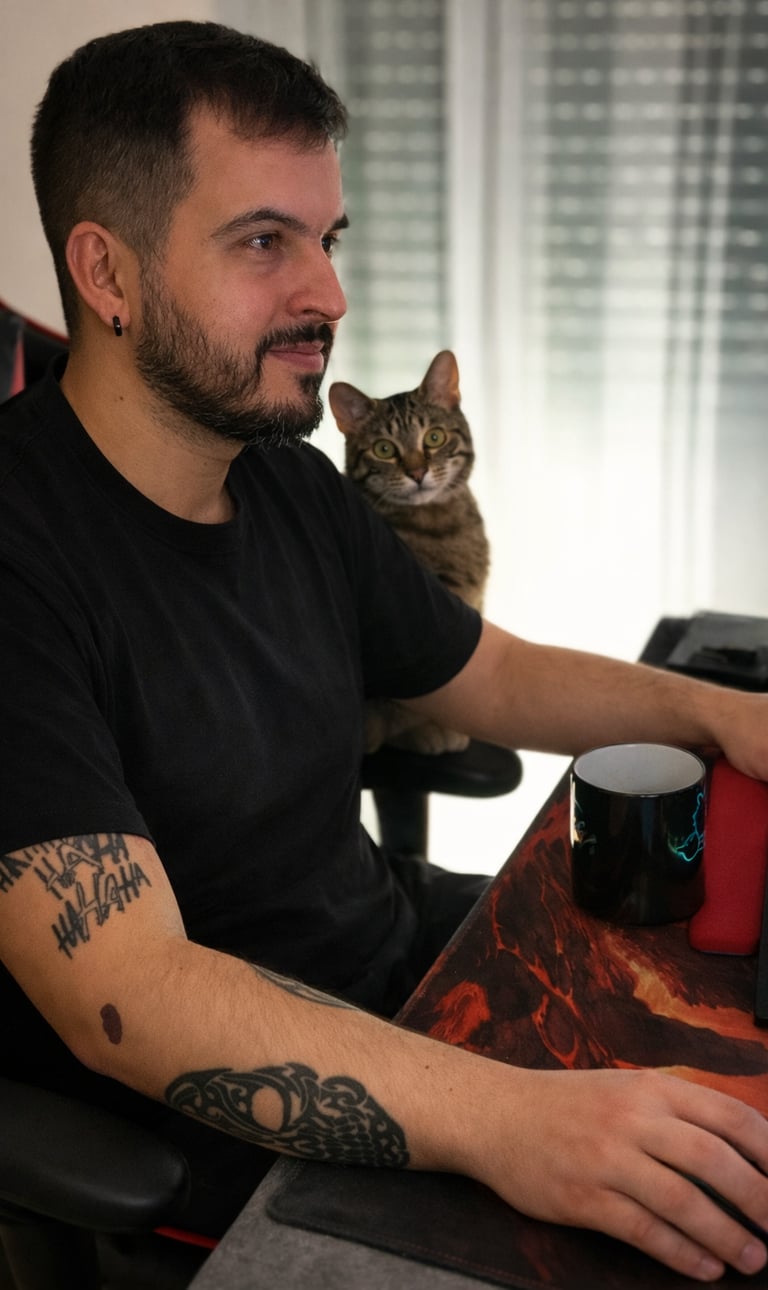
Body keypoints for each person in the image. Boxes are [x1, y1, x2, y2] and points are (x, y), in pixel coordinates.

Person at [2, 19, 768, 1282]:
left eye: (327, 238)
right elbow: (125, 995)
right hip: (217, 1137)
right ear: (108, 272)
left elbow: (492, 671)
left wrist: (722, 715)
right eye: (265, 242)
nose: (330, 295)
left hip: (404, 971)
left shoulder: (295, 489)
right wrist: (515, 1122)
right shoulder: (23, 559)